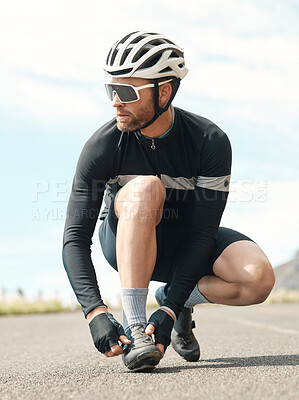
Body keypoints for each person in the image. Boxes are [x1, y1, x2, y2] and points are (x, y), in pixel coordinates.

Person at [62, 31, 275, 372]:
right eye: (111, 89)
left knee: (259, 278)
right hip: (125, 240)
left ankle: (170, 299)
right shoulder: (102, 147)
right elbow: (74, 238)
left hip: (187, 240)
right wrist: (95, 312)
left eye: (127, 91)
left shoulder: (210, 141)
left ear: (164, 91)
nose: (115, 100)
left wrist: (171, 306)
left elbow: (203, 233)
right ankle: (137, 329)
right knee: (146, 188)